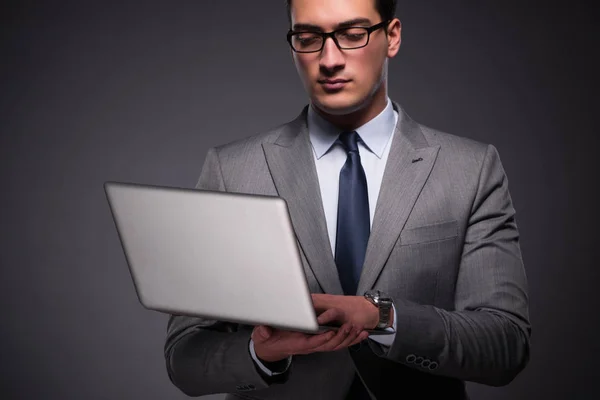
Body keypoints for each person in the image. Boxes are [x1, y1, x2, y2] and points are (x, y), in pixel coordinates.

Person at [163, 0, 531, 398]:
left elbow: (506, 344)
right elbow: (184, 359)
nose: (329, 59)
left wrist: (383, 318)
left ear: (391, 37)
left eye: (352, 35)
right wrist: (258, 352)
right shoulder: (231, 170)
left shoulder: (470, 169)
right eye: (308, 38)